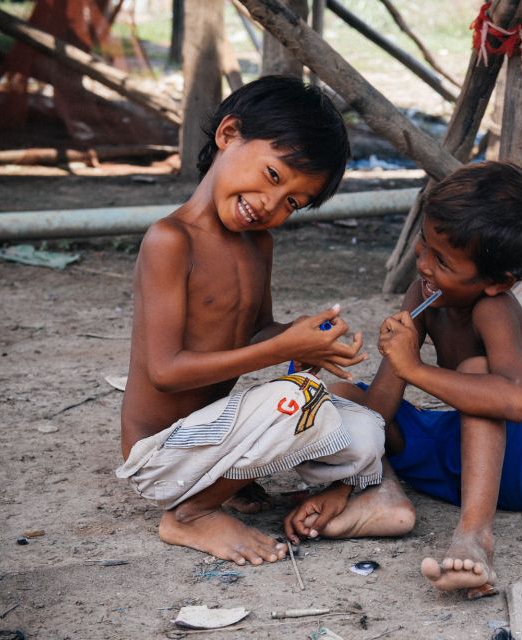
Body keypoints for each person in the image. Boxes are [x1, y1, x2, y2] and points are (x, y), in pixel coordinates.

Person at [116, 76, 414, 567]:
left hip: (213, 440)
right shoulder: (171, 241)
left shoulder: (259, 245)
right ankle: (189, 514)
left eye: (293, 203)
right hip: (161, 454)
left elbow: (255, 333)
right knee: (294, 398)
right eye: (275, 177)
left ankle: (245, 483)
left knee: (365, 427)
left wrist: (305, 343)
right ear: (229, 134)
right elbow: (165, 371)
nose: (271, 206)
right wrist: (279, 352)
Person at [335, 161, 522, 599]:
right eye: (423, 245)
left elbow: (515, 402)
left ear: (498, 282)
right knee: (338, 394)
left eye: (442, 260)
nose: (423, 265)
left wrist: (416, 370)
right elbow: (379, 414)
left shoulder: (494, 310)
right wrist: (395, 361)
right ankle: (378, 491)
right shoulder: (424, 294)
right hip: (465, 458)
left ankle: (474, 535)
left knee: (477, 374)